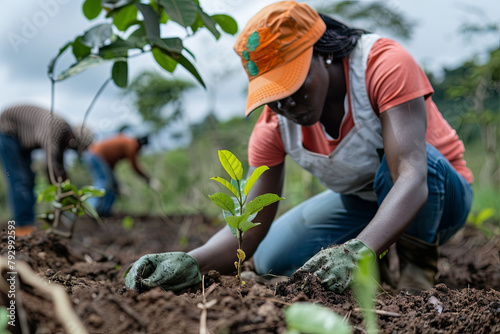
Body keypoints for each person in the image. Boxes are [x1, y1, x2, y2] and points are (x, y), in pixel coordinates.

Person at [125, 1, 473, 295]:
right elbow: (249, 225)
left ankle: (415, 276)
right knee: (271, 258)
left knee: (412, 162)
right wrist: (191, 262)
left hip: (438, 199)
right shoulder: (274, 127)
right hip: (362, 204)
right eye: (274, 96)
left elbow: (413, 175)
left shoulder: (382, 65)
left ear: (322, 52)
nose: (287, 104)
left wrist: (360, 250)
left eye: (293, 84)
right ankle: (374, 273)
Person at [0, 105, 93, 236]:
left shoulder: (63, 136)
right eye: (74, 148)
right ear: (73, 139)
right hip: (8, 130)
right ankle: (23, 228)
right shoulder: (57, 129)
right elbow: (50, 166)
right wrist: (62, 192)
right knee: (20, 181)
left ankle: (28, 224)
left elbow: (60, 169)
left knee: (29, 180)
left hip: (21, 138)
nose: (70, 151)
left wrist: (67, 190)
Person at [83, 133, 159, 217]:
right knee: (103, 181)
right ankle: (90, 207)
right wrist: (149, 180)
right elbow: (135, 167)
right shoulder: (132, 145)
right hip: (95, 155)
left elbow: (111, 165)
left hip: (98, 157)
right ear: (141, 145)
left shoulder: (128, 142)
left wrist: (118, 185)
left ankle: (104, 212)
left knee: (113, 186)